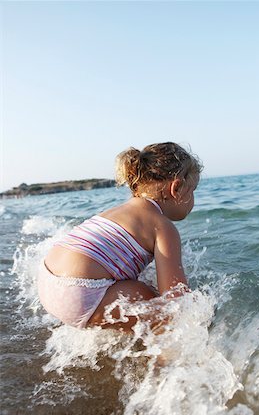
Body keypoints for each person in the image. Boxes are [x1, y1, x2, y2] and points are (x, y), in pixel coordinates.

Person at [38, 142, 203, 331]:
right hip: (80, 293)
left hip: (47, 284)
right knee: (166, 311)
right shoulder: (163, 227)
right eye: (193, 190)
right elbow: (176, 296)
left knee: (138, 289)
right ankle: (163, 359)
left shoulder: (115, 211)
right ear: (177, 188)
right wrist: (201, 312)